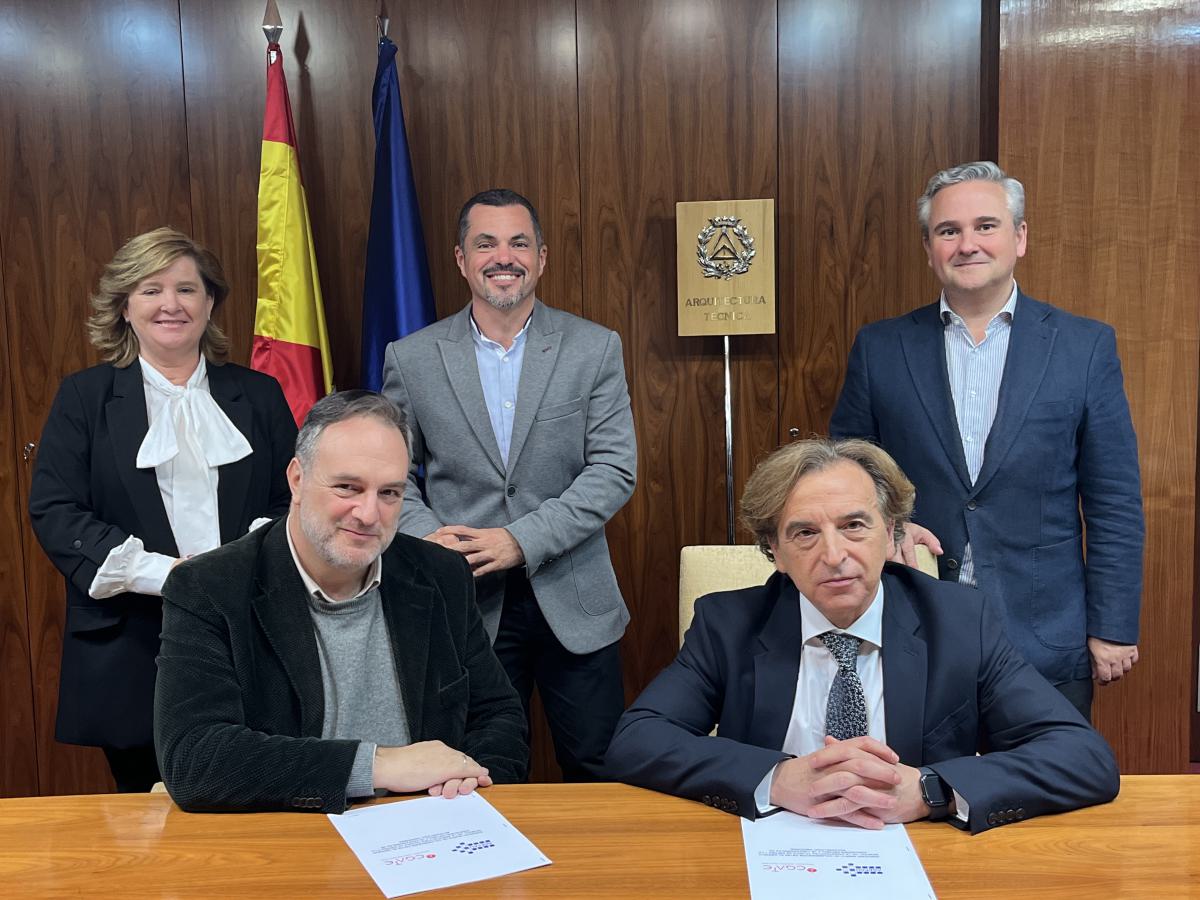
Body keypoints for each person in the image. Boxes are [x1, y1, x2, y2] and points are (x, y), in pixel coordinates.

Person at [605, 438, 1119, 834]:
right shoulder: (728, 624)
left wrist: (930, 790)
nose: (833, 555)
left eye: (854, 525)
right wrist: (777, 780)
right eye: (804, 532)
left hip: (920, 853)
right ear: (775, 553)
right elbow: (637, 741)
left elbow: (1082, 757)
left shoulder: (961, 621)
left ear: (893, 533)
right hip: (771, 854)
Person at [829, 161, 1144, 719]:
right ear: (929, 248)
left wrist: (1113, 626)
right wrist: (892, 524)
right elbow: (846, 475)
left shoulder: (1083, 346)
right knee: (922, 794)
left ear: (1019, 237)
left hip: (1045, 635)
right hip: (913, 624)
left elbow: (1114, 500)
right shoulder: (881, 348)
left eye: (986, 226)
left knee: (1046, 795)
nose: (967, 244)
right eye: (948, 231)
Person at [154, 391, 528, 813]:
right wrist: (378, 765)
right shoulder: (209, 587)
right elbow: (194, 757)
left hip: (433, 824)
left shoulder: (442, 574)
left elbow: (498, 715)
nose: (369, 514)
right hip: (291, 834)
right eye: (348, 487)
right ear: (297, 479)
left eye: (389, 493)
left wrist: (469, 784)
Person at [28, 228, 297, 793]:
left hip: (247, 633)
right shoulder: (84, 396)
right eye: (151, 290)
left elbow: (291, 500)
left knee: (256, 802)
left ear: (210, 303)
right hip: (128, 644)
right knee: (148, 824)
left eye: (186, 289)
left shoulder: (260, 393)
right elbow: (57, 510)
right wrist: (170, 576)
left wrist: (234, 567)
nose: (170, 304)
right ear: (125, 306)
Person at [382, 189, 636, 781]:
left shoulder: (593, 346)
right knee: (477, 774)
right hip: (465, 601)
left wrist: (519, 540)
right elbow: (394, 477)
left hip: (575, 598)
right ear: (461, 260)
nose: (504, 257)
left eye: (519, 243)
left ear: (541, 257)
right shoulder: (412, 358)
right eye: (486, 243)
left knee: (599, 772)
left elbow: (613, 470)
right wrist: (430, 538)